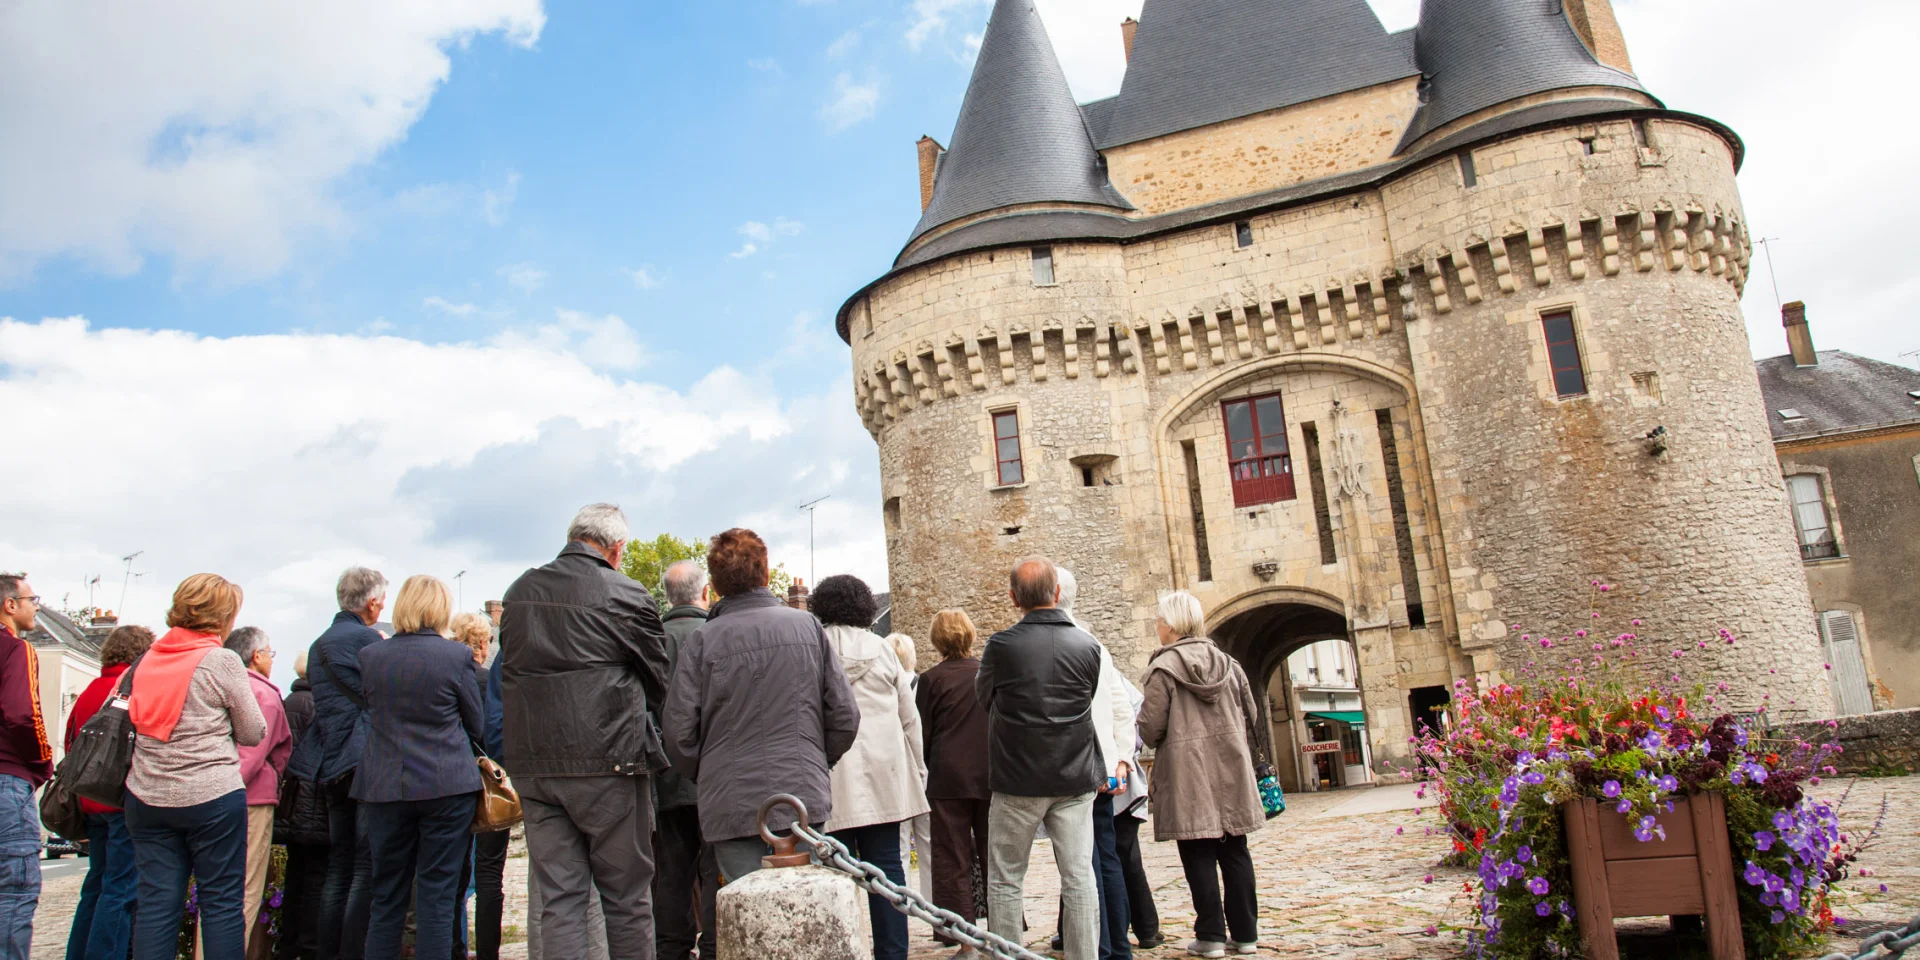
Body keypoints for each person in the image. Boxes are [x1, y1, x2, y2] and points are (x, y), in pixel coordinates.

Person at [501, 504, 670, 960]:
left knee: (560, 899)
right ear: (617, 550)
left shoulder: (520, 592)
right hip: (607, 756)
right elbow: (660, 681)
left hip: (535, 760)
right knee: (628, 897)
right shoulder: (625, 594)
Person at [661, 528, 859, 884]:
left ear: (716, 587)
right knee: (806, 911)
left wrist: (708, 771)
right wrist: (813, 758)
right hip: (799, 792)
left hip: (730, 798)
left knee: (746, 913)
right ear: (766, 573)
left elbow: (677, 733)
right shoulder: (807, 628)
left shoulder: (702, 641)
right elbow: (844, 715)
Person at [124, 574, 266, 960]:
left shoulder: (146, 660)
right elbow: (253, 732)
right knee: (220, 903)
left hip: (147, 795)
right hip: (211, 796)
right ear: (223, 616)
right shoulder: (219, 660)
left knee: (155, 905)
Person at [976, 558, 1102, 960]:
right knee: (1079, 877)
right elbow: (1087, 698)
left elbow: (984, 698)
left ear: (1013, 598)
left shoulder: (1000, 647)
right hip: (1073, 775)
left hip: (1016, 778)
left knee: (1006, 879)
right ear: (1058, 593)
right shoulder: (1088, 646)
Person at [353, 576, 484, 960]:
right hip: (446, 784)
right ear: (439, 608)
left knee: (387, 896)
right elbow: (475, 723)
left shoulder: (371, 658)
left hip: (384, 783)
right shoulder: (456, 656)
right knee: (438, 895)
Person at [1137, 591, 1269, 959]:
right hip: (1231, 770)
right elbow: (1251, 716)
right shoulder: (1229, 665)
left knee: (1197, 852)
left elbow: (1149, 729)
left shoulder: (1163, 670)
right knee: (1236, 852)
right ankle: (1245, 934)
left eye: (1160, 620)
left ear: (1173, 625)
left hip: (1187, 773)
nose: (1157, 627)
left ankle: (1210, 935)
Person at [814, 576, 927, 960]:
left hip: (831, 776)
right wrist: (919, 769)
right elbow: (908, 718)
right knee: (887, 870)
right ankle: (893, 953)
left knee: (834, 874)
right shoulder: (883, 651)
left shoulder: (813, 649)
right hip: (884, 774)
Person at [286, 566, 388, 960]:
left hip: (329, 761)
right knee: (364, 867)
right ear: (373, 601)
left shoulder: (318, 644)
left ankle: (326, 951)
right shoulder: (367, 640)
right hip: (363, 759)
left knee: (338, 867)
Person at [1052, 568, 1135, 960]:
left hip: (1075, 767)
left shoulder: (1062, 643)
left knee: (1083, 864)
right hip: (1098, 764)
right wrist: (1119, 758)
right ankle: (1117, 947)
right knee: (1105, 856)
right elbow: (1121, 706)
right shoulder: (1093, 642)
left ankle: (1100, 949)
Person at [63, 624, 155, 960]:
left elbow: (71, 742)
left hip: (89, 801)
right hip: (119, 800)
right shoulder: (131, 691)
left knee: (95, 886)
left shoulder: (90, 689)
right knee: (121, 888)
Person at [199, 627, 291, 959]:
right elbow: (251, 752)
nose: (270, 658)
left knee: (217, 892)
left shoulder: (218, 684)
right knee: (245, 891)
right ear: (256, 655)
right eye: (269, 652)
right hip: (247, 798)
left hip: (216, 792)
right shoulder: (262, 693)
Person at [653, 561, 718, 960]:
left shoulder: (653, 639)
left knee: (671, 873)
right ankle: (712, 944)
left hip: (665, 771)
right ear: (706, 592)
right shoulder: (715, 635)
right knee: (714, 869)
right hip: (712, 771)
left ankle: (671, 949)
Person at [916, 610, 990, 957]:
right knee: (996, 856)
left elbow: (923, 734)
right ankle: (1003, 932)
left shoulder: (932, 680)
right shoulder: (986, 674)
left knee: (952, 857)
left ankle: (965, 939)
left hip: (947, 777)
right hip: (990, 776)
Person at [0, 574, 51, 960]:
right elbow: (22, 714)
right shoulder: (15, 649)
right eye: (32, 598)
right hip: (7, 779)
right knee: (13, 893)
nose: (37, 605)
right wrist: (41, 763)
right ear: (10, 605)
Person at [276, 654, 329, 960]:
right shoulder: (318, 704)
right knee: (315, 881)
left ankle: (288, 944)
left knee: (295, 876)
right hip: (314, 804)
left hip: (291, 804)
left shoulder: (288, 701)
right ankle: (310, 947)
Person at [448, 612, 493, 958]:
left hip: (443, 776)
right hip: (476, 780)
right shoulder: (482, 679)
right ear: (480, 642)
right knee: (474, 874)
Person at [885, 633, 934, 901]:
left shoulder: (884, 688)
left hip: (897, 774)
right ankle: (932, 904)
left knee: (900, 845)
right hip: (925, 769)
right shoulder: (925, 685)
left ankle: (900, 905)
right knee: (928, 844)